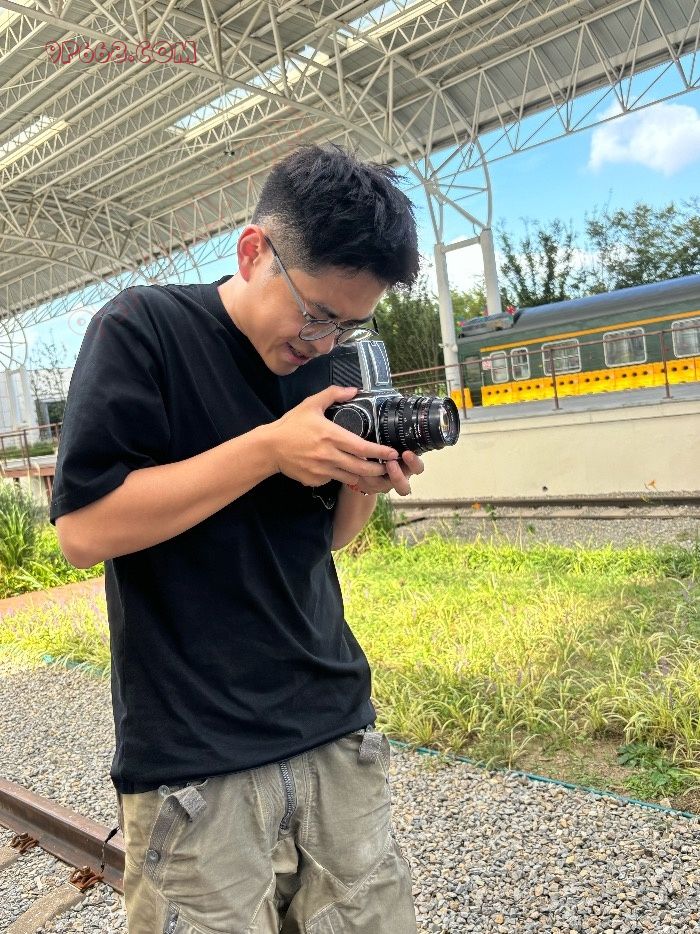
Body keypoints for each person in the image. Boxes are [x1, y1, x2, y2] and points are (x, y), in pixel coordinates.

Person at [50, 142, 424, 933]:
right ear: (254, 251)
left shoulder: (330, 365)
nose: (325, 341)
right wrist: (268, 449)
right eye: (316, 314)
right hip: (198, 756)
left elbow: (328, 541)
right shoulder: (144, 328)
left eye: (350, 322)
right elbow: (83, 530)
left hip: (334, 724)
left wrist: (365, 478)